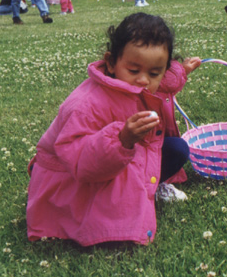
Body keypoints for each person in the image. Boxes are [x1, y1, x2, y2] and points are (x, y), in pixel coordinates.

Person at [26, 13, 202, 247]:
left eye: (153, 73)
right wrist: (122, 140)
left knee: (177, 149)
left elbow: (166, 82)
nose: (143, 81)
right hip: (76, 179)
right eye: (134, 70)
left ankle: (153, 186)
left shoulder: (143, 80)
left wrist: (182, 71)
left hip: (114, 161)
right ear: (110, 63)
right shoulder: (86, 105)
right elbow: (81, 162)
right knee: (117, 217)